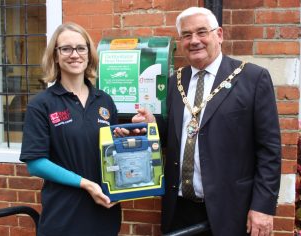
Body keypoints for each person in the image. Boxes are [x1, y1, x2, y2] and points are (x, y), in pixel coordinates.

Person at [122, 7, 282, 236]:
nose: (194, 40)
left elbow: (269, 150)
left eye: (201, 32)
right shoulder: (175, 81)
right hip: (179, 208)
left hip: (231, 210)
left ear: (219, 35)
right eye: (186, 35)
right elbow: (173, 138)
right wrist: (151, 126)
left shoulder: (252, 78)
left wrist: (263, 207)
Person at [20, 22, 121, 236]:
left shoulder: (104, 101)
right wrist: (86, 185)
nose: (74, 54)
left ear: (89, 53)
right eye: (66, 49)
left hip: (105, 209)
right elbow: (36, 164)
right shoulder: (42, 104)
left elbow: (113, 153)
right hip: (63, 215)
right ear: (55, 56)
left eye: (80, 48)